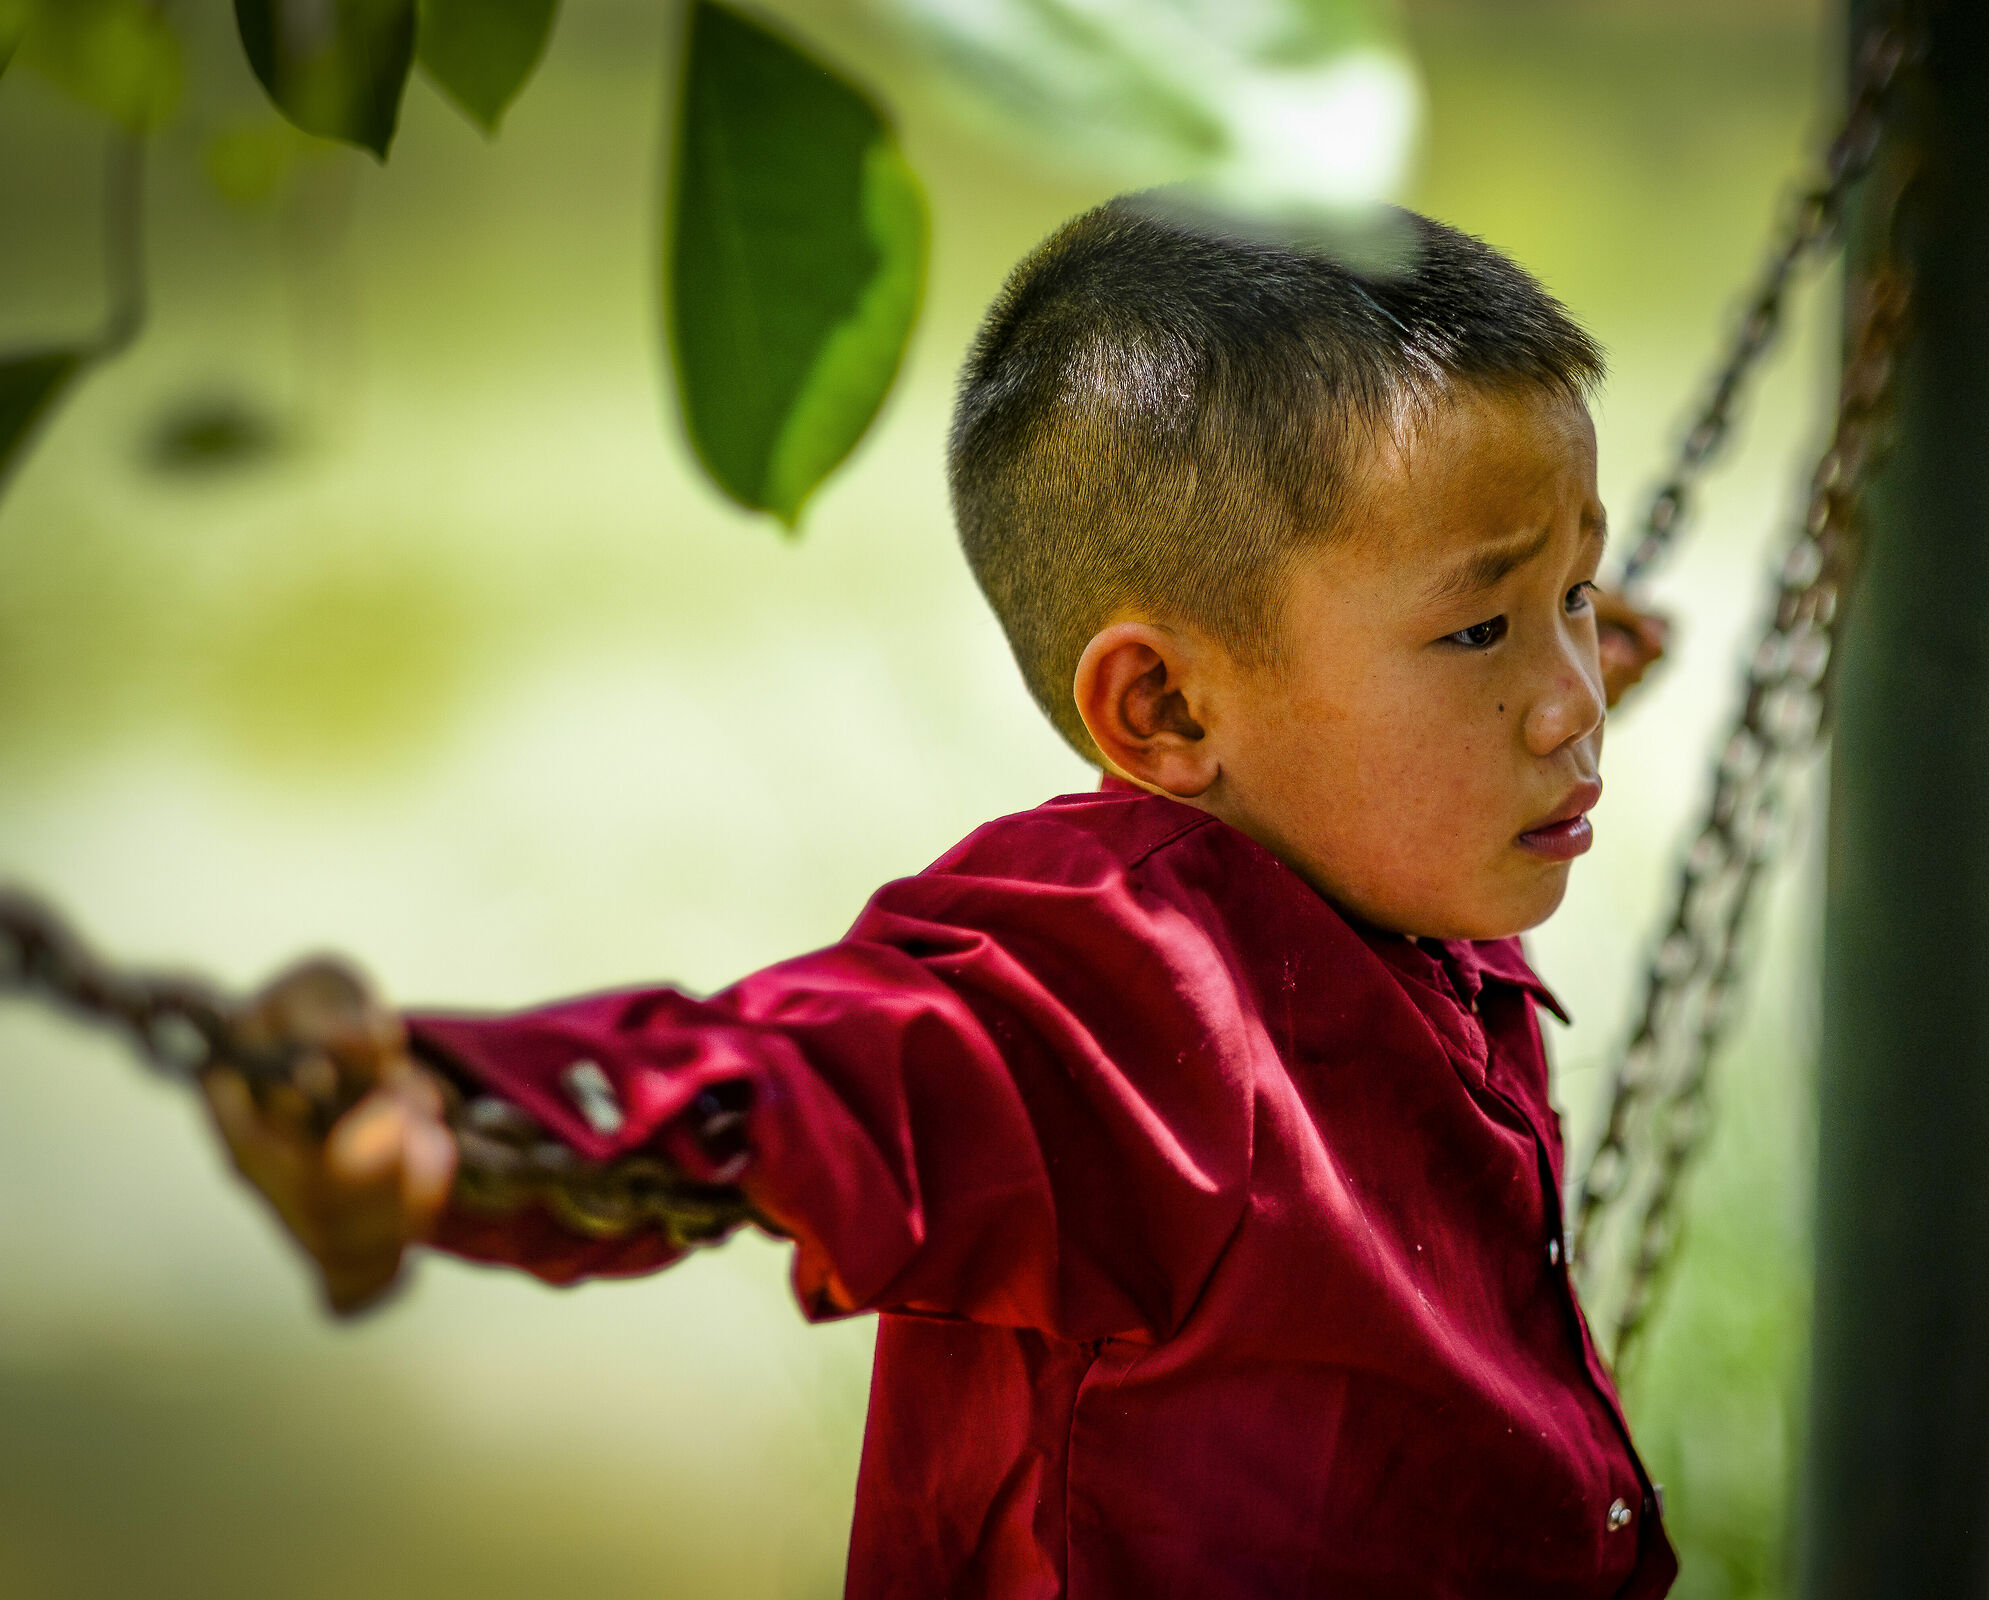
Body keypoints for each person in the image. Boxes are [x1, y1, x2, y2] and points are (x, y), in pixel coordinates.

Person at [202, 192, 1677, 1599]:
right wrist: (455, 1116)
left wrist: (1538, 650)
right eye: (1480, 625)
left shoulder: (1381, 845)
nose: (1567, 708)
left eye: (1573, 597)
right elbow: (809, 1073)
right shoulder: (1128, 990)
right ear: (1159, 706)